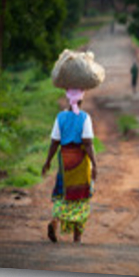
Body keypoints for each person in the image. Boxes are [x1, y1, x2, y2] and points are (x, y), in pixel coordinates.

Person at [42, 89, 98, 243]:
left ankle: (56, 220)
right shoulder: (85, 118)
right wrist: (94, 163)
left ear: (68, 100)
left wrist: (47, 161)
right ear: (81, 100)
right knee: (81, 197)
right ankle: (77, 237)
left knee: (62, 192)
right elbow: (87, 143)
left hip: (65, 159)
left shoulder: (60, 117)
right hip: (80, 162)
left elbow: (55, 142)